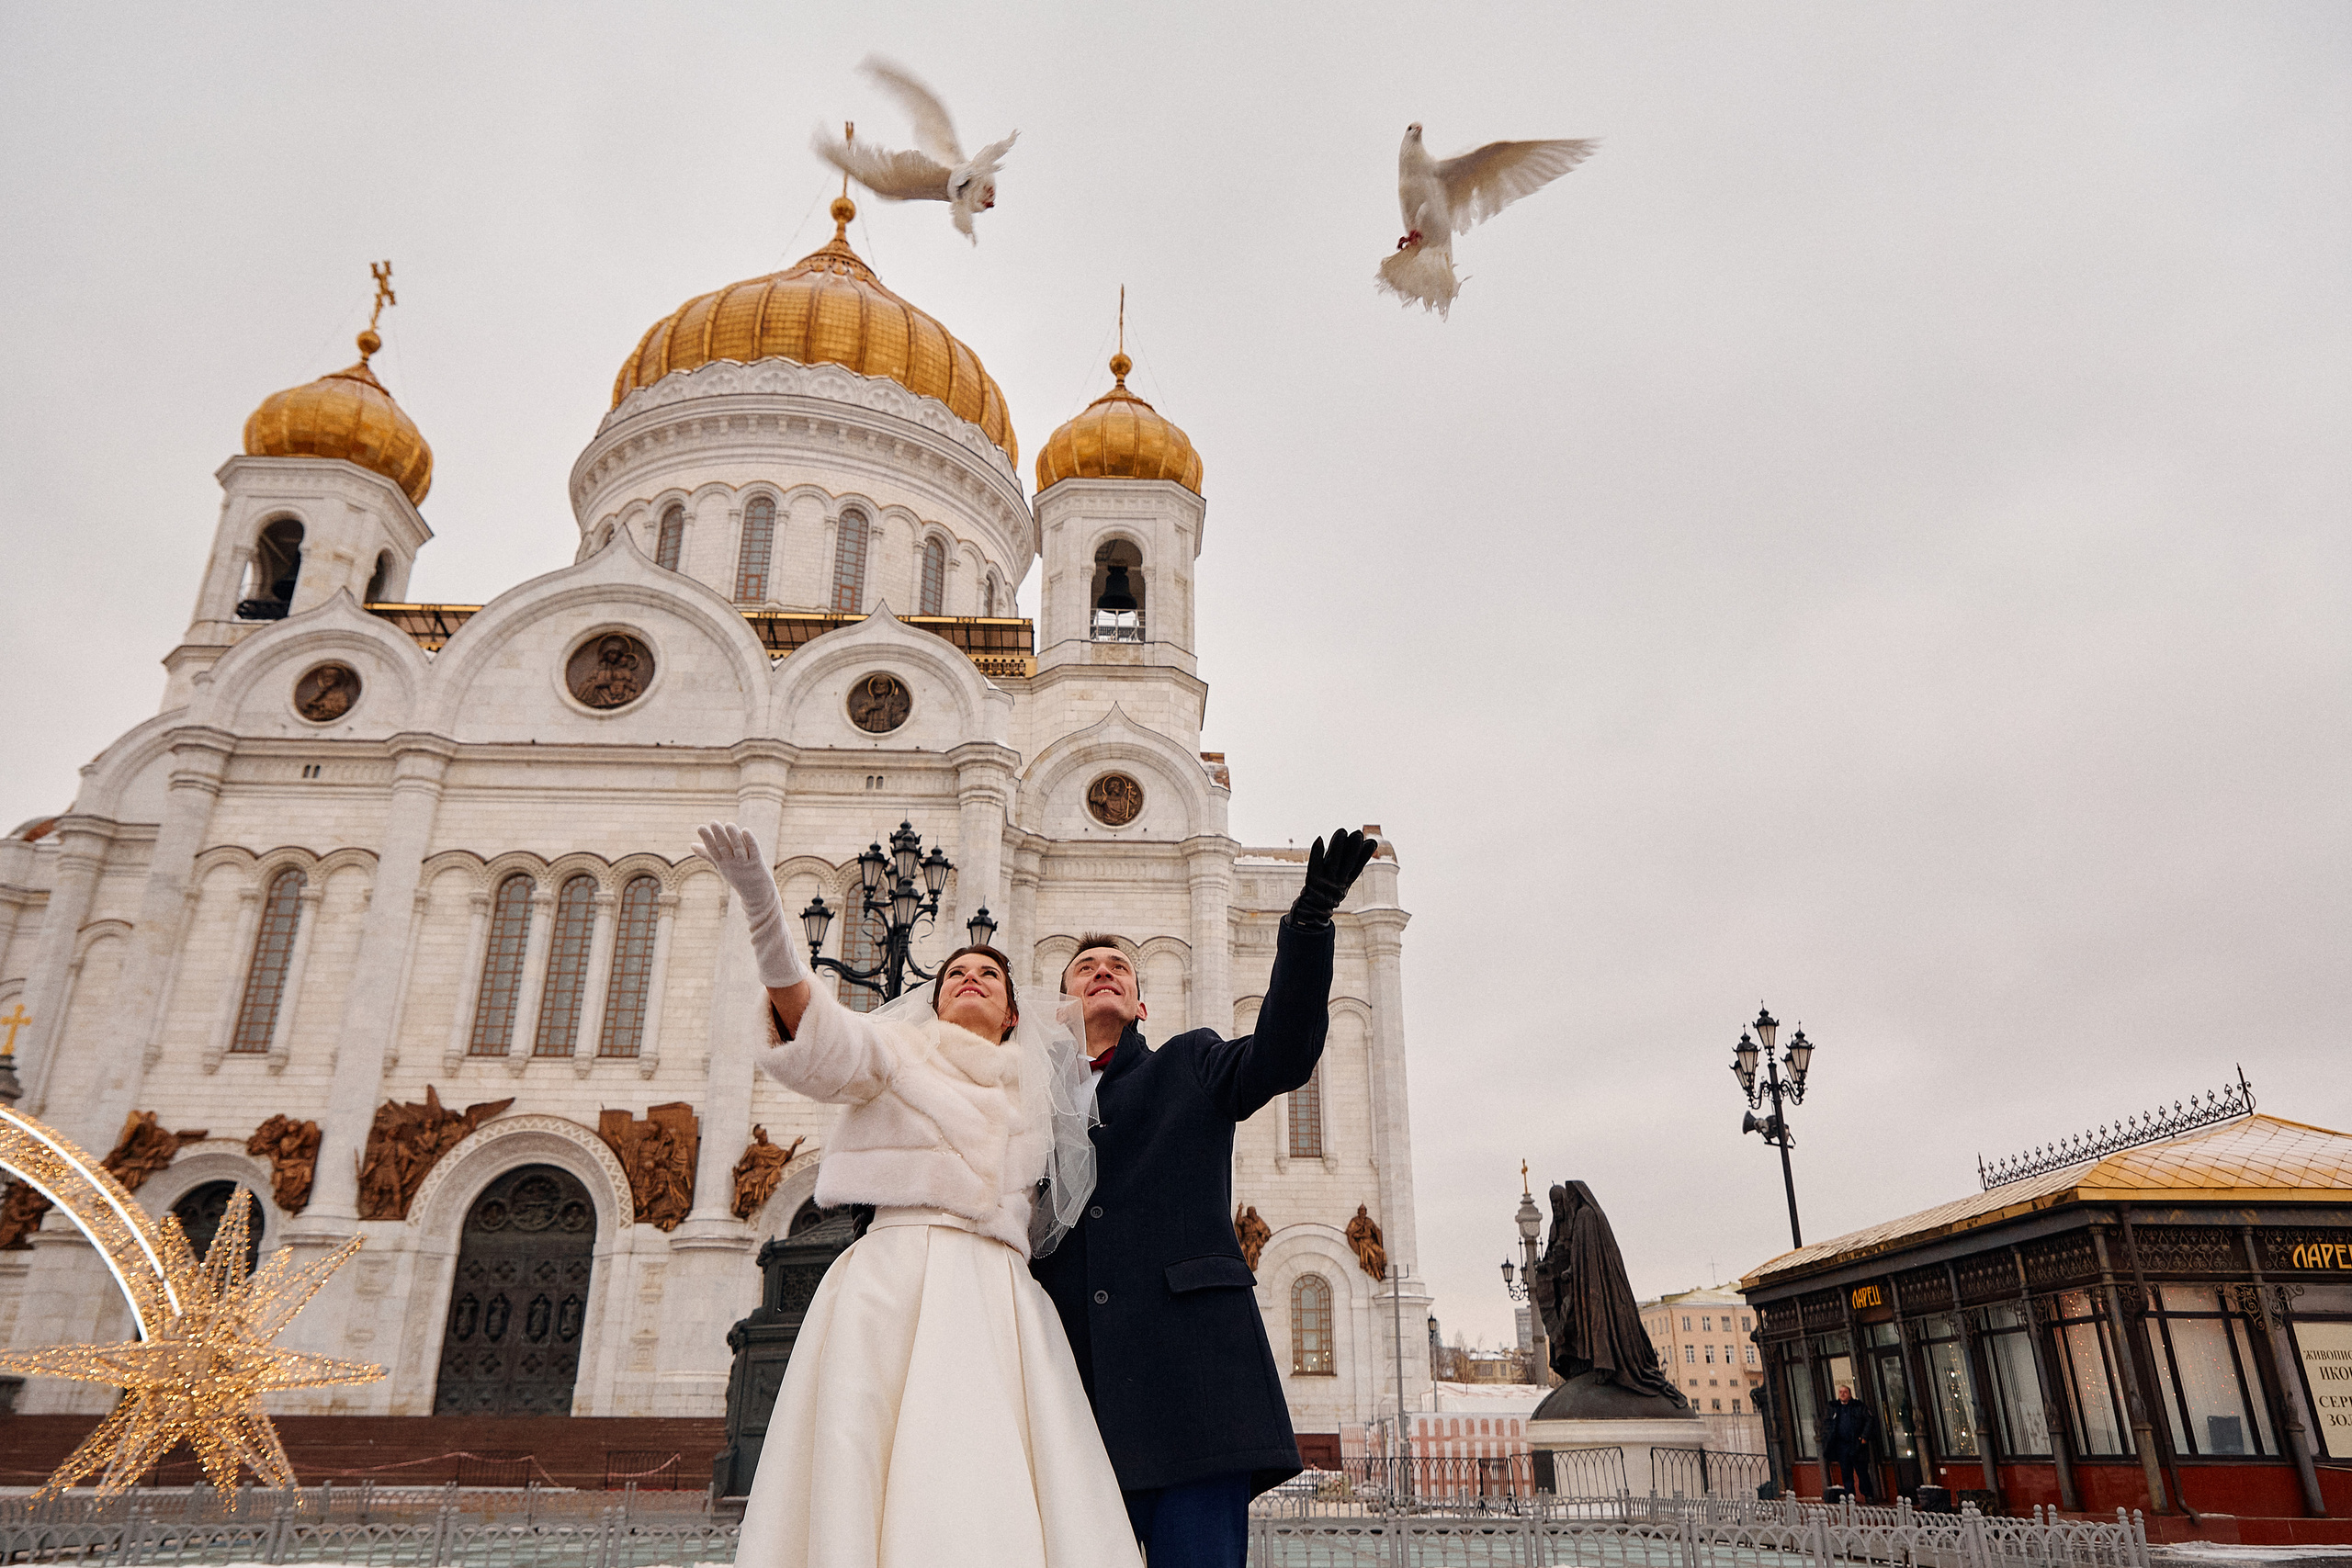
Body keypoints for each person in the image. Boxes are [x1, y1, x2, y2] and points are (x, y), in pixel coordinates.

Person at [698, 822, 1138, 1568]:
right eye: (955, 973)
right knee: (863, 1448)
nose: (970, 977)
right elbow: (819, 1037)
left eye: (989, 976)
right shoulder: (894, 1053)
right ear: (934, 1003)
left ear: (1011, 1014)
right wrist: (765, 914)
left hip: (996, 1289)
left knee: (988, 1464)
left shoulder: (1039, 1097)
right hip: (892, 1276)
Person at [1031, 828, 1380, 1568]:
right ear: (1059, 1000)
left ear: (1141, 1004)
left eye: (1118, 967)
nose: (1102, 973)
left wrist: (1309, 924)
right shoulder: (1025, 1101)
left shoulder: (1187, 1063)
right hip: (1073, 1399)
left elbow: (1281, 1054)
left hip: (1192, 1391)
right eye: (1085, 966)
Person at [1821, 1382, 1878, 1500]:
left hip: (1857, 1444)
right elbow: (1827, 1424)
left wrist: (1864, 1437)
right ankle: (1849, 1495)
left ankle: (1868, 1494)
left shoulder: (1858, 1407)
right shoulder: (1835, 1408)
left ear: (1850, 1394)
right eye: (1840, 1392)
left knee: (1862, 1471)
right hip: (1842, 1445)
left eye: (1845, 1392)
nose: (1842, 1394)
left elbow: (1869, 1421)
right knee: (1846, 1472)